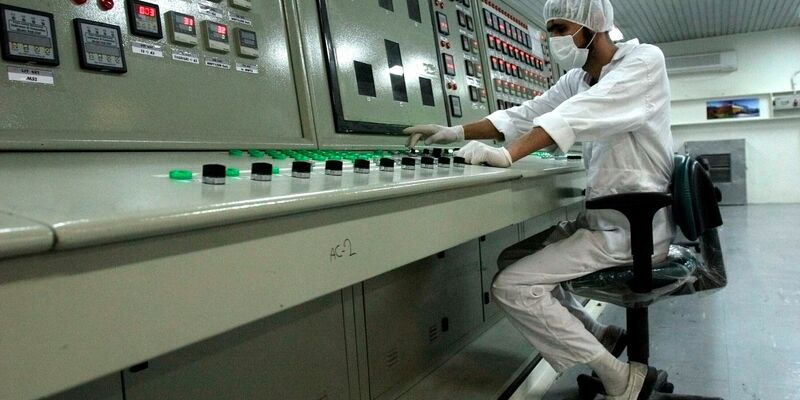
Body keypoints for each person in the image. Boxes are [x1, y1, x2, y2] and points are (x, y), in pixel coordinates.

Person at [404, 0, 674, 398]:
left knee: (511, 286)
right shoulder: (578, 79)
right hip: (605, 222)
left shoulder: (644, 61)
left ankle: (620, 378)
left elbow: (578, 114)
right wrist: (455, 132)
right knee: (511, 260)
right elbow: (527, 114)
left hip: (634, 230)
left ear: (593, 25)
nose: (554, 39)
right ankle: (600, 335)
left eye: (560, 28)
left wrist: (509, 155)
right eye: (550, 30)